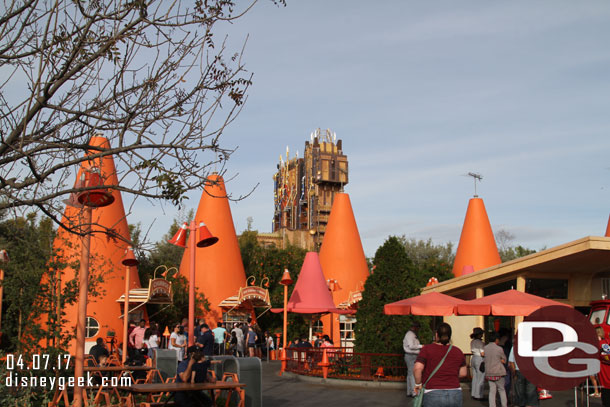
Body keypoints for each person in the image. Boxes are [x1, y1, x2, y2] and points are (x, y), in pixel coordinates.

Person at [413, 322, 467, 406]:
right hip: (455, 392)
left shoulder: (427, 349)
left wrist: (418, 384)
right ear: (450, 335)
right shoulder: (458, 351)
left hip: (432, 392)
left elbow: (417, 368)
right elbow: (463, 373)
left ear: (437, 334)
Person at [484, 332, 507, 407]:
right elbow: (504, 360)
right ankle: (504, 405)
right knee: (501, 390)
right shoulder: (499, 348)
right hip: (498, 372)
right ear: (496, 339)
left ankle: (492, 405)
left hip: (489, 372)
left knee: (492, 391)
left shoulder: (485, 348)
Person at [403, 321, 423, 398]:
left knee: (410, 374)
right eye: (418, 328)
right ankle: (414, 392)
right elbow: (411, 346)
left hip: (410, 355)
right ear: (415, 327)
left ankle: (409, 391)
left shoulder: (411, 334)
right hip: (411, 355)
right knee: (412, 374)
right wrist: (421, 346)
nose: (418, 330)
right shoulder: (410, 335)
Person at [470, 327, 485, 400]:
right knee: (481, 377)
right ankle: (479, 395)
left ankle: (474, 393)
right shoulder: (480, 342)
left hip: (473, 358)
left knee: (475, 377)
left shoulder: (472, 342)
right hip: (479, 359)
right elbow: (482, 353)